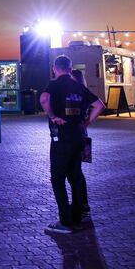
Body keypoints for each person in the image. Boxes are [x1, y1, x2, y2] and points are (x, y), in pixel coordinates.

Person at [40, 55, 105, 234]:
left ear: (55, 68)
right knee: (75, 177)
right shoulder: (79, 86)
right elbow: (100, 105)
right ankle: (77, 218)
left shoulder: (53, 85)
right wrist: (86, 122)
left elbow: (44, 99)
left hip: (61, 137)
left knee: (57, 178)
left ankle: (65, 221)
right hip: (79, 136)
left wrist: (53, 116)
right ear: (70, 68)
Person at [70, 70, 91, 218]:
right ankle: (82, 203)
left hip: (76, 134)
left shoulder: (77, 93)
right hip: (81, 133)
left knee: (75, 172)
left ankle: (81, 204)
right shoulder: (83, 92)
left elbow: (100, 105)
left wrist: (86, 122)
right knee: (76, 171)